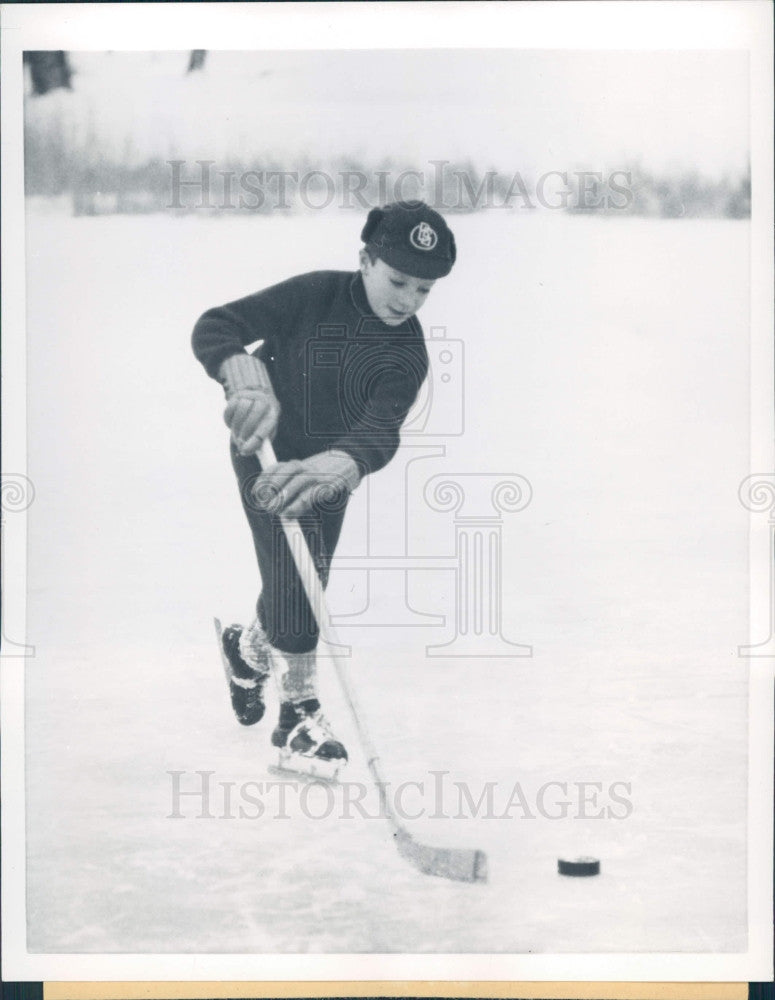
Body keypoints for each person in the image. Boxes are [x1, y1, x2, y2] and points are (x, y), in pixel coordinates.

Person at [192, 200, 456, 774]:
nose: (407, 299)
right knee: (296, 577)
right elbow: (217, 324)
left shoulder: (406, 353)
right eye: (399, 279)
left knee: (307, 575)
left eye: (423, 290)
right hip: (264, 450)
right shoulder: (314, 294)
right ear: (366, 259)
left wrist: (344, 463)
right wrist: (237, 366)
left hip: (330, 470)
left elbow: (382, 428)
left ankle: (248, 651)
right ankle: (299, 719)